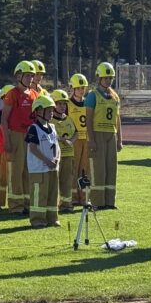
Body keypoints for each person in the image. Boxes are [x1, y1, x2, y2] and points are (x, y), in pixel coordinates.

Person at [1, 61, 39, 215]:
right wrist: (7, 139)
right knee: (16, 171)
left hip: (31, 136)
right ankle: (16, 205)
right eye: (27, 75)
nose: (30, 78)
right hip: (16, 135)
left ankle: (28, 203)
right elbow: (4, 119)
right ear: (19, 76)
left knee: (29, 170)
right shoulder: (12, 94)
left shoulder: (35, 94)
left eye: (32, 75)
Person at [85, 62, 122, 209]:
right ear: (99, 78)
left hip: (111, 134)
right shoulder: (92, 95)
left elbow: (118, 119)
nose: (108, 80)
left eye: (110, 78)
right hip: (98, 133)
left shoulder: (115, 97)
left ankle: (110, 201)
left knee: (111, 168)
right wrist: (91, 139)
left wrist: (120, 139)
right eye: (105, 78)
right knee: (98, 169)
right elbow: (88, 119)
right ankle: (97, 202)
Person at [25, 94, 60, 228]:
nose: (52, 113)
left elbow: (57, 146)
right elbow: (33, 148)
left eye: (52, 110)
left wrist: (56, 159)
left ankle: (52, 218)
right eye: (49, 110)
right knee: (39, 195)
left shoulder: (53, 128)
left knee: (52, 194)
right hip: (38, 169)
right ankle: (37, 219)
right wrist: (47, 160)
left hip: (52, 168)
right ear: (39, 110)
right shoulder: (34, 128)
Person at [51, 89, 77, 214]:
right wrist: (59, 139)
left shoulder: (68, 119)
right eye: (59, 104)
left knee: (67, 181)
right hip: (56, 156)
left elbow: (76, 133)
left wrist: (71, 141)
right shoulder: (50, 121)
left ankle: (66, 204)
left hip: (68, 155)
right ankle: (53, 205)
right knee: (54, 181)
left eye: (64, 104)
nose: (62, 106)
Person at [66, 73, 91, 206]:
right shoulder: (68, 104)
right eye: (79, 88)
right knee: (73, 169)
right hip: (74, 140)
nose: (81, 90)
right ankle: (73, 197)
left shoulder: (88, 102)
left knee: (85, 169)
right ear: (73, 88)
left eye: (83, 88)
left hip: (86, 139)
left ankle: (84, 196)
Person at [0, 84, 15, 210]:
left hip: (15, 149)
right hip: (1, 149)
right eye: (5, 98)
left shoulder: (17, 114)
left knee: (13, 177)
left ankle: (13, 202)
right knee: (1, 177)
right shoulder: (0, 113)